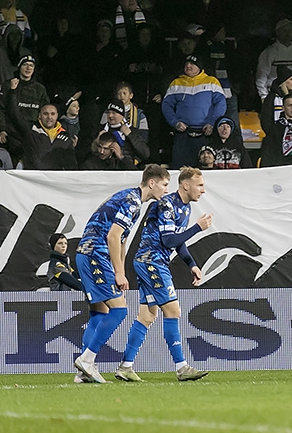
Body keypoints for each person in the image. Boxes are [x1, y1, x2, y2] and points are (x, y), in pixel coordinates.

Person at [73, 164, 171, 384]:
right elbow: (113, 237)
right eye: (164, 185)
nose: (166, 190)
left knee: (99, 312)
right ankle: (87, 360)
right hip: (95, 255)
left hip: (85, 253)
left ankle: (82, 373)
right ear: (152, 182)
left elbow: (122, 240)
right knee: (119, 310)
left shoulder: (129, 197)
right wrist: (118, 272)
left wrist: (122, 272)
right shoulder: (133, 202)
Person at [116, 167, 212, 383]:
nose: (203, 191)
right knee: (173, 310)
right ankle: (181, 367)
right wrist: (197, 228)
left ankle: (125, 366)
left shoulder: (184, 208)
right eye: (200, 185)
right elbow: (168, 241)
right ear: (186, 185)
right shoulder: (166, 205)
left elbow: (177, 241)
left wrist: (191, 264)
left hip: (147, 262)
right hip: (152, 262)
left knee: (148, 315)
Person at [162, 54, 227, 169]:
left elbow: (221, 104)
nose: (188, 66)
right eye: (186, 63)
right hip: (183, 135)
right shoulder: (176, 83)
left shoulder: (212, 82)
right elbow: (166, 105)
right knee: (180, 170)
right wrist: (175, 122)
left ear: (200, 66)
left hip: (205, 134)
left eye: (192, 63)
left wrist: (212, 123)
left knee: (205, 170)